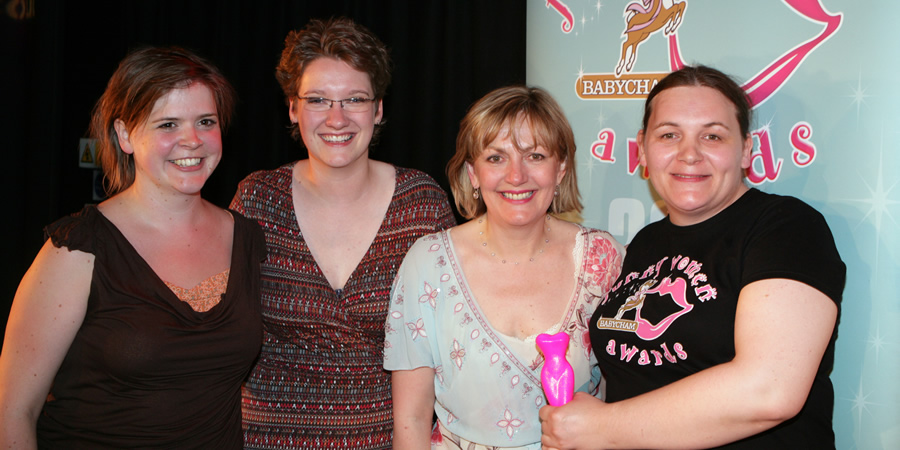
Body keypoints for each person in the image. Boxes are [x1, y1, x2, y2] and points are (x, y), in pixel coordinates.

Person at [539, 65, 845, 449]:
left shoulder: (786, 227)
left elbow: (770, 390)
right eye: (669, 135)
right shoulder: (645, 243)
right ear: (642, 149)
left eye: (712, 136)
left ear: (747, 150)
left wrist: (602, 428)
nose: (689, 154)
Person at [0, 46, 265, 448]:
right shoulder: (79, 250)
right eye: (168, 125)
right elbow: (13, 412)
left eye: (205, 121)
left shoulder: (247, 238)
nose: (191, 140)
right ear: (125, 134)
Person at [231, 17, 456, 449]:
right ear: (293, 108)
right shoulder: (258, 199)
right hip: (263, 440)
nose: (336, 118)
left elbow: (453, 343)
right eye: (318, 100)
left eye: (354, 99)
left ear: (378, 109)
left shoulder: (421, 204)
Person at [385, 85, 625, 449]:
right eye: (496, 158)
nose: (516, 176)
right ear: (473, 173)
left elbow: (620, 399)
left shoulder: (603, 258)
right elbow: (411, 420)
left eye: (536, 156)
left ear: (560, 169)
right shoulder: (427, 263)